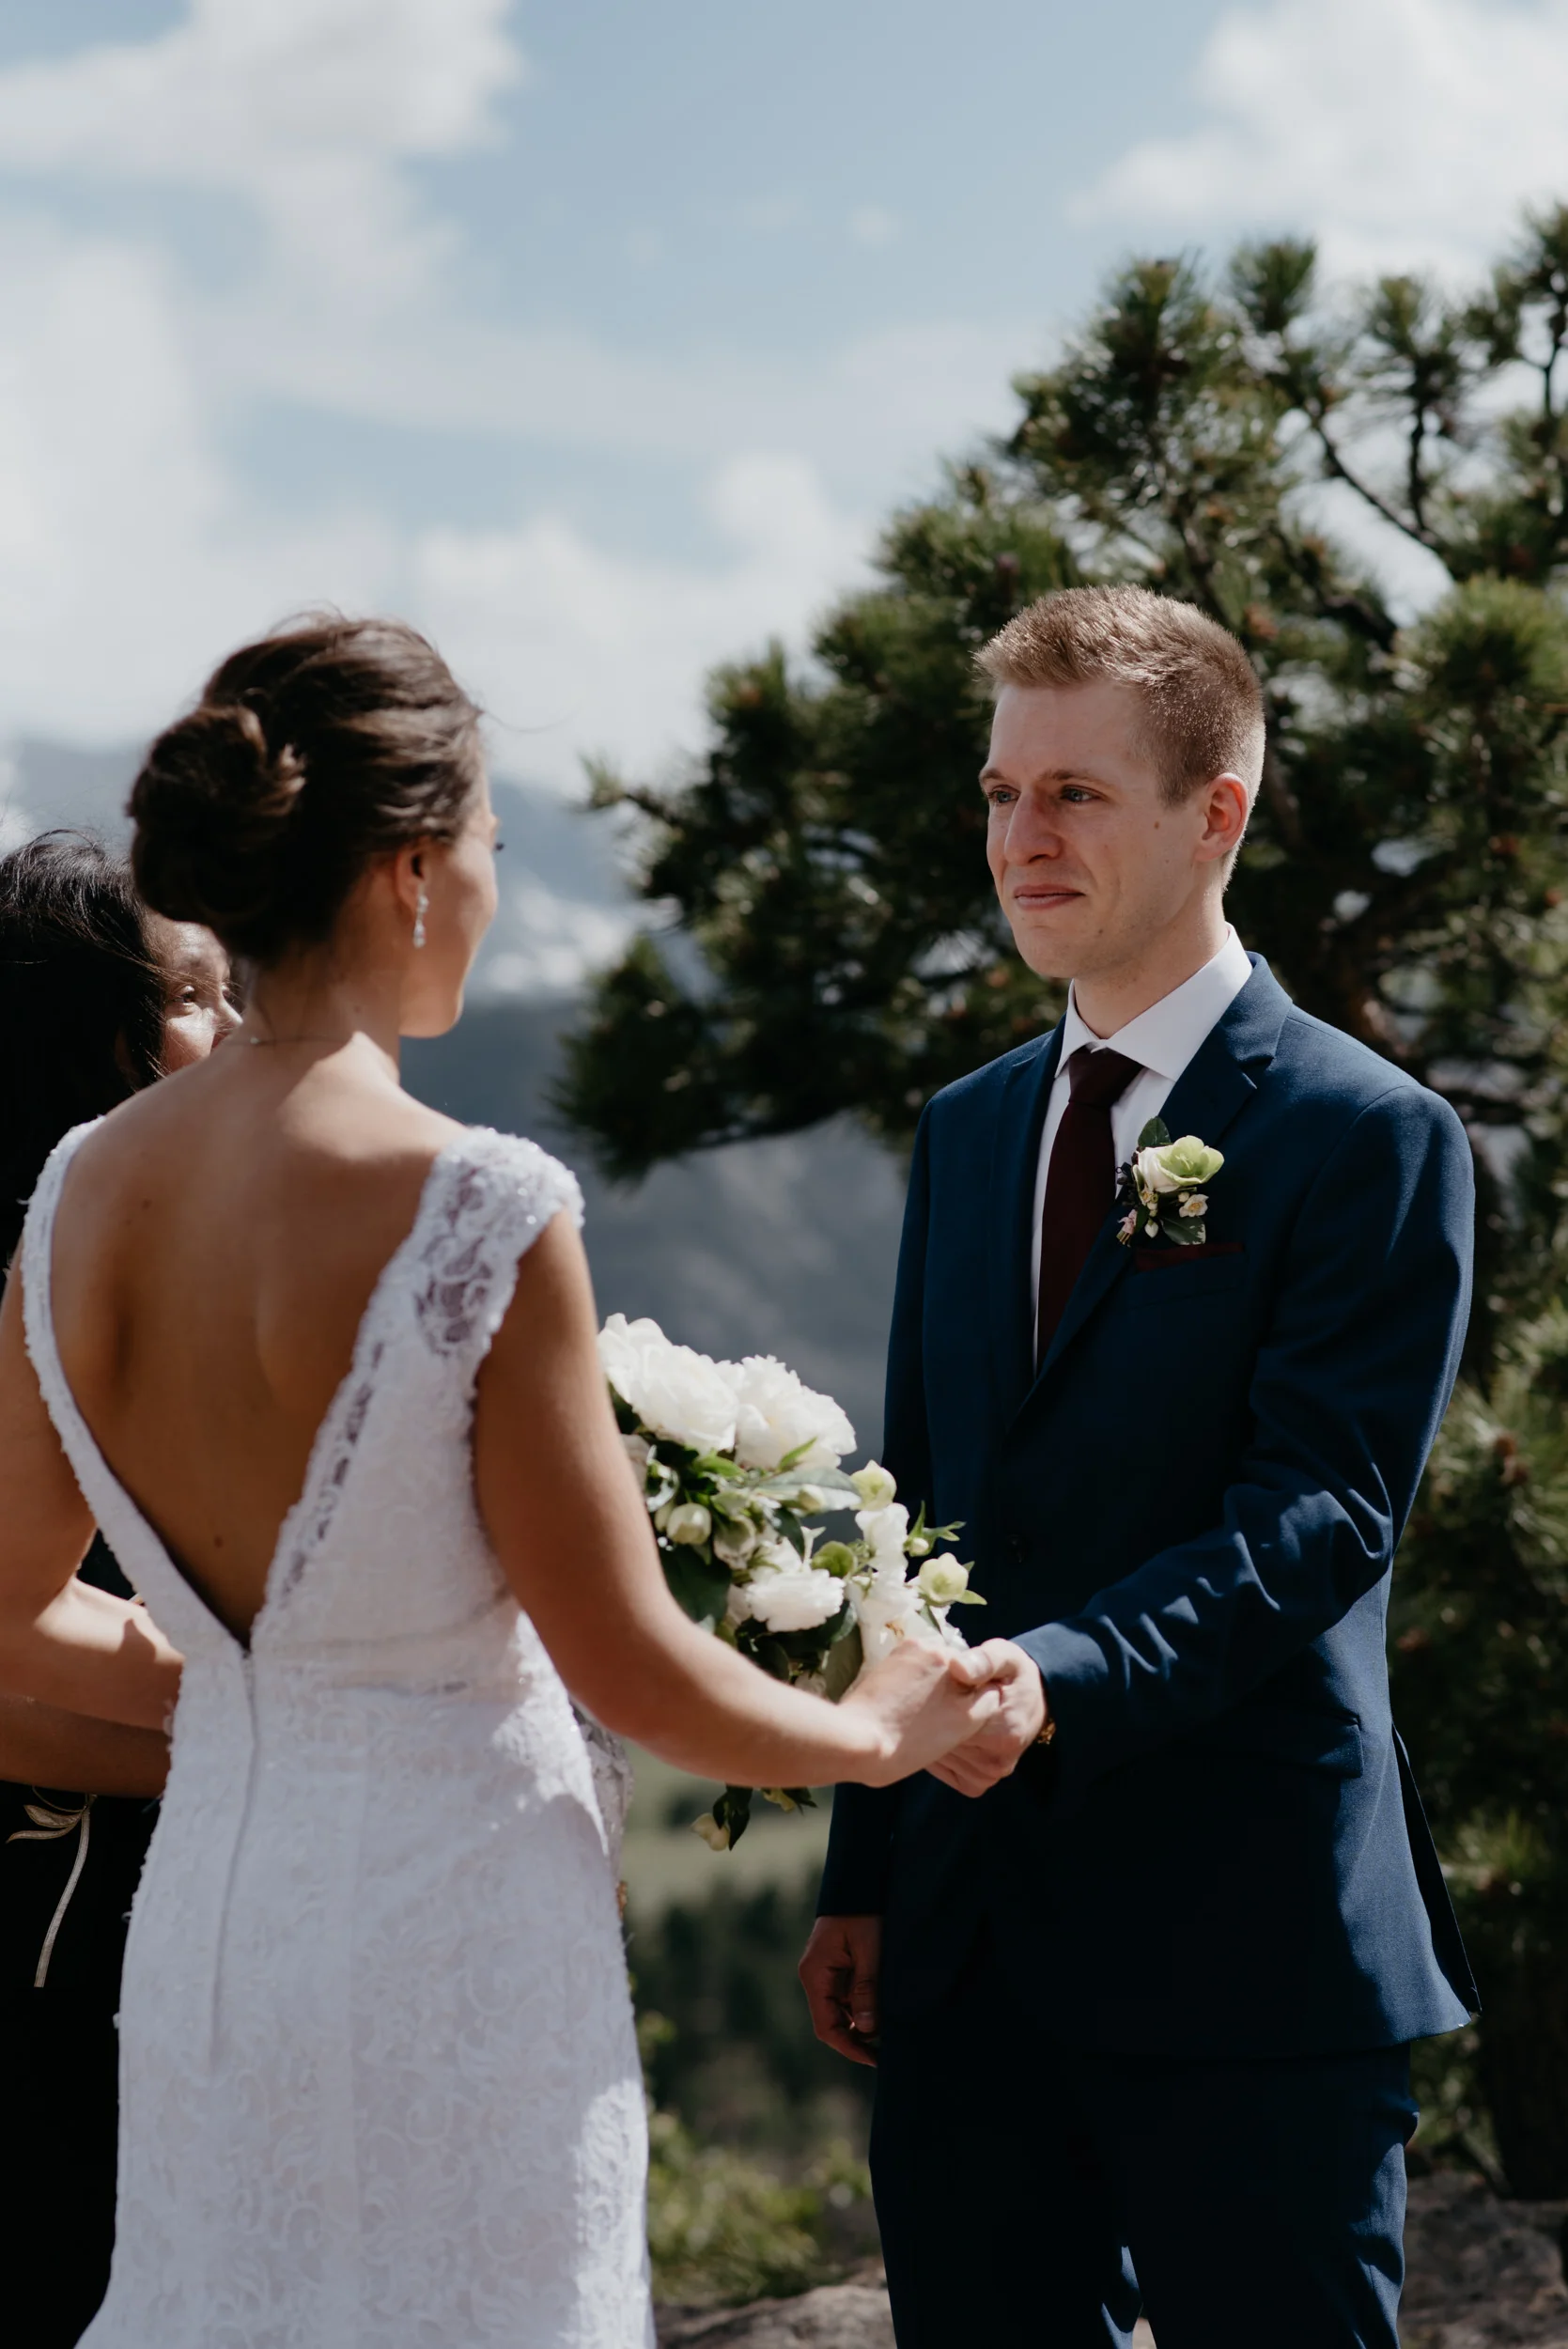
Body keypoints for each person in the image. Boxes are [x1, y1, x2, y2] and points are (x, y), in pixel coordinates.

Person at [0, 615, 1005, 2349]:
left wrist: (249, 1706)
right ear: (408, 871)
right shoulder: (473, 1200)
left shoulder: (79, 1192)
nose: (481, 886)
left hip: (206, 1945)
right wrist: (882, 1729)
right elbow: (627, 1664)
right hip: (453, 1934)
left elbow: (7, 1602)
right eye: (482, 848)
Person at [800, 584, 1478, 2349]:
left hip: (1244, 1938)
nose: (1022, 838)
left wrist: (1069, 1677)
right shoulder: (965, 1131)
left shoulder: (1368, 1137)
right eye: (1002, 793)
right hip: (964, 1945)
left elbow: (1325, 1510)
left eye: (1076, 795)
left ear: (1216, 815)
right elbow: (922, 1511)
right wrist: (867, 1871)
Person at [0, 831, 240, 2348]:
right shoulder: (47, 1266)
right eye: (201, 995)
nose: (236, 1028)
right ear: (95, 1032)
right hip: (59, 1929)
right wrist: (282, 1715)